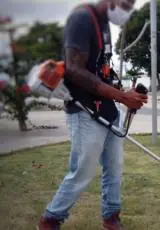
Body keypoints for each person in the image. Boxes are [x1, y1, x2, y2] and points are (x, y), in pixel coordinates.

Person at [37, 0, 147, 230]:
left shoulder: (104, 24)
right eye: (124, 5)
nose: (126, 12)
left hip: (107, 110)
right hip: (85, 112)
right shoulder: (82, 19)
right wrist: (120, 97)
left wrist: (122, 93)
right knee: (83, 172)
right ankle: (51, 219)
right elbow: (74, 69)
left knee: (114, 168)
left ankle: (111, 217)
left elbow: (100, 69)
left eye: (130, 6)